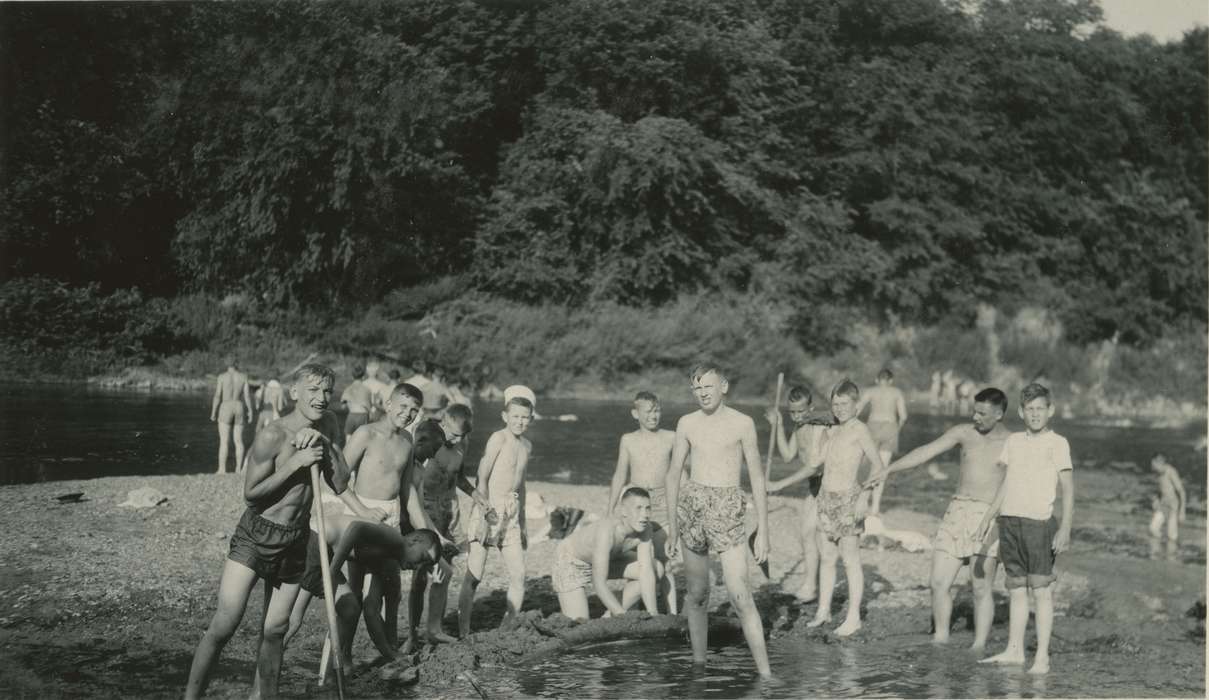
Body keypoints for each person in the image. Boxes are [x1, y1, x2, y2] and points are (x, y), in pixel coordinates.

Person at [185, 364, 353, 700]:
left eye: (326, 392)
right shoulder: (272, 435)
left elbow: (341, 481)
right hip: (257, 535)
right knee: (226, 623)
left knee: (276, 629)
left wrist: (324, 444)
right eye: (313, 391)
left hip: (295, 538)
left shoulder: (330, 423)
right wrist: (295, 464)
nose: (321, 399)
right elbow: (251, 494)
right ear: (295, 393)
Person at [866, 387, 1010, 649]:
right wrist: (890, 469)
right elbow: (926, 451)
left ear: (999, 414)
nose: (976, 418)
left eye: (982, 413)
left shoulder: (1014, 442)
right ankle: (940, 639)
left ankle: (978, 647)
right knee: (939, 582)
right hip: (957, 511)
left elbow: (1022, 480)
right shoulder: (964, 433)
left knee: (980, 588)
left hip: (989, 515)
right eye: (974, 412)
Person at [666, 362, 772, 677]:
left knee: (741, 596)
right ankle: (699, 668)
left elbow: (756, 478)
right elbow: (673, 474)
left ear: (723, 386)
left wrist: (763, 530)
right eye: (697, 388)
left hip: (728, 507)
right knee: (697, 595)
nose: (703, 393)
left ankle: (766, 675)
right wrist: (672, 527)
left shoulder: (743, 423)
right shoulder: (686, 423)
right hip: (692, 507)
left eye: (708, 386)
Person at [976, 382, 1073, 674]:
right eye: (1029, 409)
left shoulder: (1058, 443)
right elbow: (1007, 483)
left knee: (1041, 590)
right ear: (1020, 412)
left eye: (1040, 409)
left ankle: (1042, 657)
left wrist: (1065, 528)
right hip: (1010, 521)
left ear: (1050, 410)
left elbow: (1068, 489)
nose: (1035, 415)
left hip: (1039, 524)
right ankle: (1014, 651)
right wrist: (988, 516)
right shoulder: (1014, 442)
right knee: (1016, 589)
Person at [805, 380, 887, 636]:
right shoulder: (833, 430)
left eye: (844, 404)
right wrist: (819, 436)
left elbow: (878, 466)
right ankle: (823, 611)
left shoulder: (859, 429)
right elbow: (815, 462)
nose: (839, 409)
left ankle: (854, 617)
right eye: (835, 404)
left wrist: (865, 495)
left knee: (850, 559)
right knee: (827, 557)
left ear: (856, 405)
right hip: (826, 498)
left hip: (849, 499)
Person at [404, 404, 489, 650]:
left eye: (462, 435)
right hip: (425, 512)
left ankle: (434, 629)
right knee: (421, 576)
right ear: (444, 422)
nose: (456, 439)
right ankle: (411, 634)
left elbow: (458, 477)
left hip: (448, 513)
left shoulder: (462, 444)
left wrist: (475, 494)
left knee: (443, 574)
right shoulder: (428, 440)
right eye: (453, 434)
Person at [458, 390, 534, 636]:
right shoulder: (498, 438)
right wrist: (483, 510)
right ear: (505, 416)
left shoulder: (526, 445)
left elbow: (521, 484)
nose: (520, 422)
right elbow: (483, 474)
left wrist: (522, 523)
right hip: (489, 506)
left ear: (531, 419)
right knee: (475, 572)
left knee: (519, 573)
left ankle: (508, 625)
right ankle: (463, 629)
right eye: (515, 416)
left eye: (525, 417)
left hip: (511, 511)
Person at [555, 487, 666, 619]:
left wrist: (653, 614)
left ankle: (611, 615)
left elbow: (645, 572)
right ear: (624, 511)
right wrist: (622, 618)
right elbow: (599, 583)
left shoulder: (646, 528)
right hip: (570, 561)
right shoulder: (607, 531)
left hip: (606, 561)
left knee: (656, 568)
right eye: (638, 508)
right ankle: (617, 613)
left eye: (648, 508)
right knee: (579, 624)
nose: (644, 515)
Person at [765, 385, 829, 603]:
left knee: (815, 535)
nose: (797, 416)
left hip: (828, 484)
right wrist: (779, 426)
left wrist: (779, 484)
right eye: (792, 412)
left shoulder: (817, 428)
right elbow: (787, 455)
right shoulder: (798, 428)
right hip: (814, 486)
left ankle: (813, 587)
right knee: (807, 534)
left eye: (801, 411)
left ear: (810, 408)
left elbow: (814, 466)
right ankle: (811, 586)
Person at [609, 392, 676, 526]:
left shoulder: (671, 437)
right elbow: (620, 475)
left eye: (657, 411)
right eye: (648, 412)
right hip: (636, 497)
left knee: (663, 540)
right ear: (635, 414)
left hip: (663, 499)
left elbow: (680, 472)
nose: (653, 416)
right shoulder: (628, 439)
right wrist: (610, 508)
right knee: (634, 541)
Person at [855, 369, 907, 519]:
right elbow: (903, 416)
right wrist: (897, 430)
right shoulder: (896, 392)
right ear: (891, 381)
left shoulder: (871, 390)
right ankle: (875, 507)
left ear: (877, 380)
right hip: (890, 427)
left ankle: (860, 499)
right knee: (882, 468)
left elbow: (857, 409)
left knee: (865, 465)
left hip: (872, 426)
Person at [210, 357, 254, 474]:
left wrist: (213, 411)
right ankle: (238, 469)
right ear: (236, 363)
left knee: (224, 441)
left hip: (226, 406)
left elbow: (218, 395)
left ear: (226, 364)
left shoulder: (222, 377)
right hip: (239, 406)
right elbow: (247, 396)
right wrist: (250, 411)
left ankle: (222, 469)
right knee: (238, 441)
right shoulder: (243, 377)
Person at [1149, 452, 1186, 554]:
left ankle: (1172, 556)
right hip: (1162, 505)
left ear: (1160, 463)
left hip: (1173, 507)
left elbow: (1181, 491)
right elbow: (1161, 489)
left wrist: (1182, 511)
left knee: (1171, 536)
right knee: (1153, 529)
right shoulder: (1157, 473)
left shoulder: (1171, 472)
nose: (1152, 467)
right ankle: (1158, 551)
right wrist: (1156, 499)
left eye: (1153, 465)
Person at [341, 364, 374, 440]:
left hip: (351, 415)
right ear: (363, 377)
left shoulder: (348, 389)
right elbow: (369, 405)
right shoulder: (367, 389)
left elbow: (343, 407)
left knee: (348, 438)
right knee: (362, 438)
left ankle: (347, 451)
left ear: (352, 377)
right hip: (363, 415)